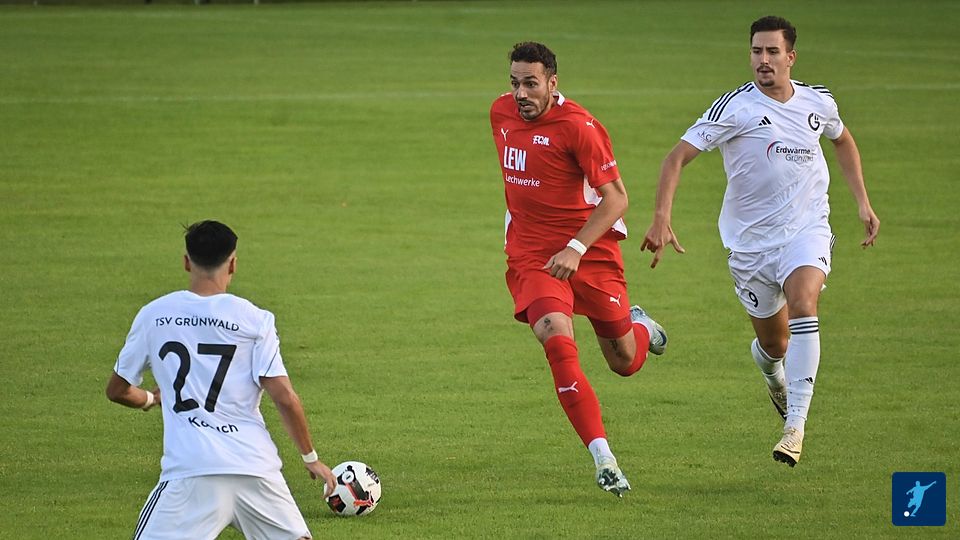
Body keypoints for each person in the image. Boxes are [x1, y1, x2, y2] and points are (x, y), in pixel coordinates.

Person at [641, 16, 880, 467]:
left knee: (805, 302)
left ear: (791, 57)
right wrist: (661, 218)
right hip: (751, 247)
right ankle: (772, 371)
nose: (763, 60)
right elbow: (676, 158)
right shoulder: (735, 107)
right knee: (776, 345)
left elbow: (843, 140)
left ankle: (795, 427)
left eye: (772, 52)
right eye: (756, 51)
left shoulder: (818, 102)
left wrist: (863, 203)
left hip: (806, 230)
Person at [490, 42, 668, 497]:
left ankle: (641, 327)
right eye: (515, 83)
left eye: (531, 84)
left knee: (623, 361)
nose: (521, 94)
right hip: (533, 256)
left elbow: (617, 198)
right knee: (556, 339)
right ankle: (603, 458)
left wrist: (575, 247)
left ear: (553, 83)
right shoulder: (500, 114)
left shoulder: (580, 127)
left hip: (590, 252)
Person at [106, 220, 336, 539]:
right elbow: (284, 397)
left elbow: (117, 390)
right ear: (233, 264)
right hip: (254, 468)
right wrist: (311, 458)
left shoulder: (154, 315)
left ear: (187, 262)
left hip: (193, 471)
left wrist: (149, 399)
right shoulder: (255, 319)